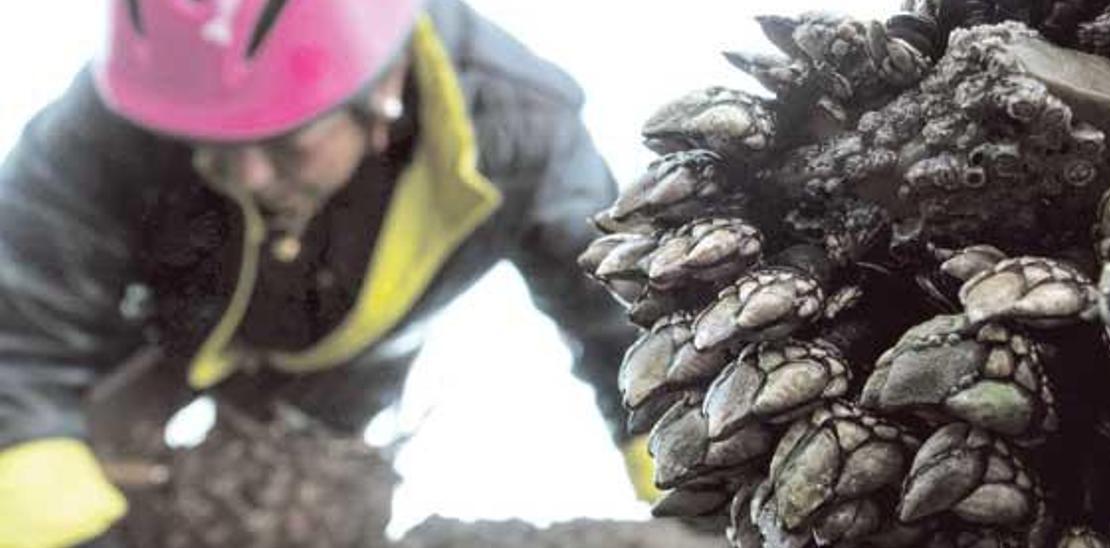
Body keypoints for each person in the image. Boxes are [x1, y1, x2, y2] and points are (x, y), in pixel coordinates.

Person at [0, 0, 641, 545]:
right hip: (149, 330)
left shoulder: (524, 131)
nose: (247, 175)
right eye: (215, 144)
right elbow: (15, 328)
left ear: (385, 87)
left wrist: (698, 490)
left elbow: (624, 335)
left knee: (310, 507)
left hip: (341, 370)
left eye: (285, 140)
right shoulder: (120, 114)